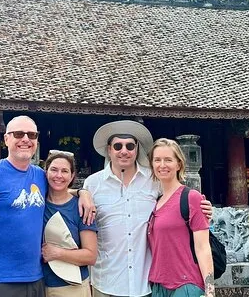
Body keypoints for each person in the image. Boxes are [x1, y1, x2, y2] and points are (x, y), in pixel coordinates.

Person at [0, 115, 95, 297]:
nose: (25, 139)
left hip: (36, 279)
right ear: (6, 139)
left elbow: (60, 188)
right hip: (1, 280)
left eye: (31, 135)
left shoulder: (39, 175)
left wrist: (83, 193)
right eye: (18, 134)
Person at [83, 120, 212, 297]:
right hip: (106, 281)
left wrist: (202, 207)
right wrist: (80, 192)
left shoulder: (154, 181)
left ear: (137, 149)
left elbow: (176, 199)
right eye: (118, 146)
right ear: (109, 149)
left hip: (145, 283)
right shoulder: (92, 184)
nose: (124, 151)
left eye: (130, 146)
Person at [147, 138, 214, 297]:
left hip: (186, 285)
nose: (162, 165)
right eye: (157, 160)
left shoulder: (191, 198)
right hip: (159, 284)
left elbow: (203, 248)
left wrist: (210, 291)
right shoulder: (156, 201)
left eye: (168, 160)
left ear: (178, 164)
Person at [41, 150, 98, 297]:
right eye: (54, 170)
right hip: (37, 285)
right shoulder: (37, 203)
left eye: (65, 171)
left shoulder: (82, 208)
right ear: (46, 172)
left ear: (72, 176)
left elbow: (91, 256)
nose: (59, 175)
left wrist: (57, 253)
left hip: (71, 288)